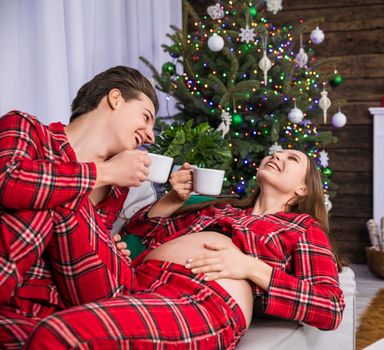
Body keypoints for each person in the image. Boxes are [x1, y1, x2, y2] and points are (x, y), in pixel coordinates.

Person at [24, 150, 345, 349]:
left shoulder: (301, 227)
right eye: (276, 153)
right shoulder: (219, 209)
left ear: (303, 189)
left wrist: (249, 267)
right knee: (21, 330)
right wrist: (172, 199)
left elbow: (329, 307)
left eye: (292, 159)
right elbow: (141, 233)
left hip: (201, 301)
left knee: (58, 334)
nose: (277, 156)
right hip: (138, 282)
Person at [0, 65, 161, 348]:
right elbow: (8, 181)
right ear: (115, 98)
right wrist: (103, 173)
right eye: (146, 118)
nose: (151, 136)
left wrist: (110, 250)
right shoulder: (27, 129)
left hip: (56, 325)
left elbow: (104, 291)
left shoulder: (116, 193)